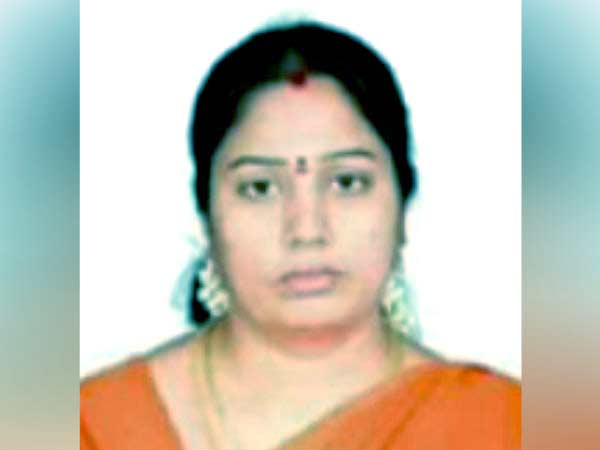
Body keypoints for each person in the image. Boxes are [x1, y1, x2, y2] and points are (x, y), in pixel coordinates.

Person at [80, 21, 521, 450]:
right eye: (260, 188)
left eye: (347, 182)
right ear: (205, 213)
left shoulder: (503, 428)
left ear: (403, 202)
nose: (307, 231)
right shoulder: (93, 428)